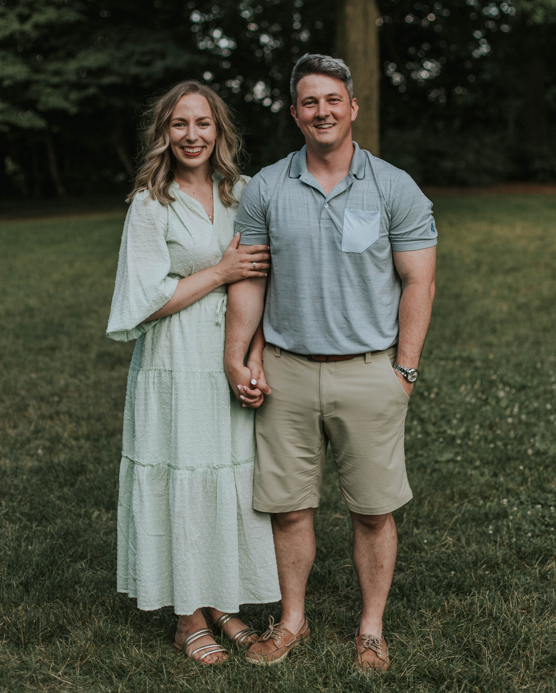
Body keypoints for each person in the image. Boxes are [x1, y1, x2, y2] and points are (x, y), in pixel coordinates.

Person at [224, 54, 437, 671]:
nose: (322, 111)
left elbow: (418, 281)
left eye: (332, 100)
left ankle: (370, 628)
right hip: (286, 370)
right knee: (290, 506)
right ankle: (293, 621)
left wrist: (405, 369)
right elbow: (249, 280)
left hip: (371, 370)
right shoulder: (266, 187)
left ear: (353, 107)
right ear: (295, 113)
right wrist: (239, 357)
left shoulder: (393, 186)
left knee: (373, 509)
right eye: (309, 102)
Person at [106, 80, 281, 665]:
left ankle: (221, 601)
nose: (191, 135)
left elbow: (265, 278)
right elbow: (143, 301)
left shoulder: (245, 194)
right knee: (183, 474)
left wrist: (254, 354)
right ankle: (186, 616)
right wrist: (220, 269)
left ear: (219, 131)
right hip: (173, 361)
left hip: (231, 356)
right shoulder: (150, 204)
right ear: (163, 134)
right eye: (179, 124)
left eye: (202, 124)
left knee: (228, 479)